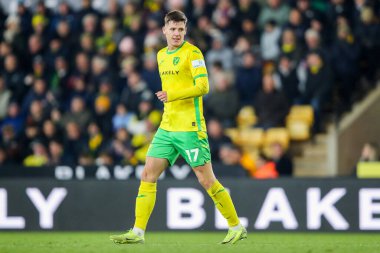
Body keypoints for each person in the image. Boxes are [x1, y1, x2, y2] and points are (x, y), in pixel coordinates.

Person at [110, 10, 247, 245]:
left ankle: (236, 226)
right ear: (164, 30)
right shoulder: (161, 55)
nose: (176, 33)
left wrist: (172, 95)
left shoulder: (193, 53)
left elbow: (203, 86)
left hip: (190, 127)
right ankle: (138, 232)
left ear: (185, 31)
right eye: (172, 29)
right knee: (147, 174)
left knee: (207, 180)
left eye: (180, 30)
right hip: (167, 127)